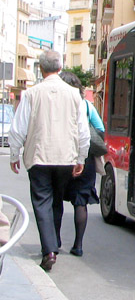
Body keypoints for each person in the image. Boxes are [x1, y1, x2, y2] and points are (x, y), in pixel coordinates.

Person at [8, 50, 90, 271]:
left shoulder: (31, 94)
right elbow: (83, 130)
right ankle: (53, 243)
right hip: (65, 156)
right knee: (56, 200)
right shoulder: (75, 95)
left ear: (41, 69)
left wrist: (14, 154)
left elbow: (18, 129)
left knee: (42, 201)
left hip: (39, 155)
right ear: (60, 67)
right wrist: (81, 156)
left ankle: (49, 250)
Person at [59, 71, 103, 257]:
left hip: (60, 157)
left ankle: (54, 242)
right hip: (84, 158)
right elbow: (100, 129)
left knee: (55, 200)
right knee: (80, 202)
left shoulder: (56, 105)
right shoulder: (86, 105)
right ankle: (78, 245)